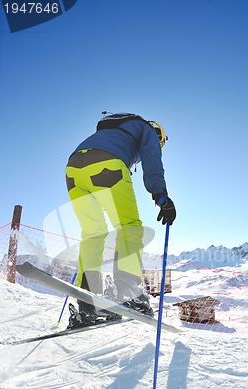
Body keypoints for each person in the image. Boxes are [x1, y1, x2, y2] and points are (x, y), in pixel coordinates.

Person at [65, 112, 176, 328]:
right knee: (130, 228)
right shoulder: (148, 131)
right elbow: (152, 158)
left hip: (72, 169)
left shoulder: (114, 130)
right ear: (159, 135)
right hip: (107, 164)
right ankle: (129, 292)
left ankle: (88, 302)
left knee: (93, 233)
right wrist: (160, 195)